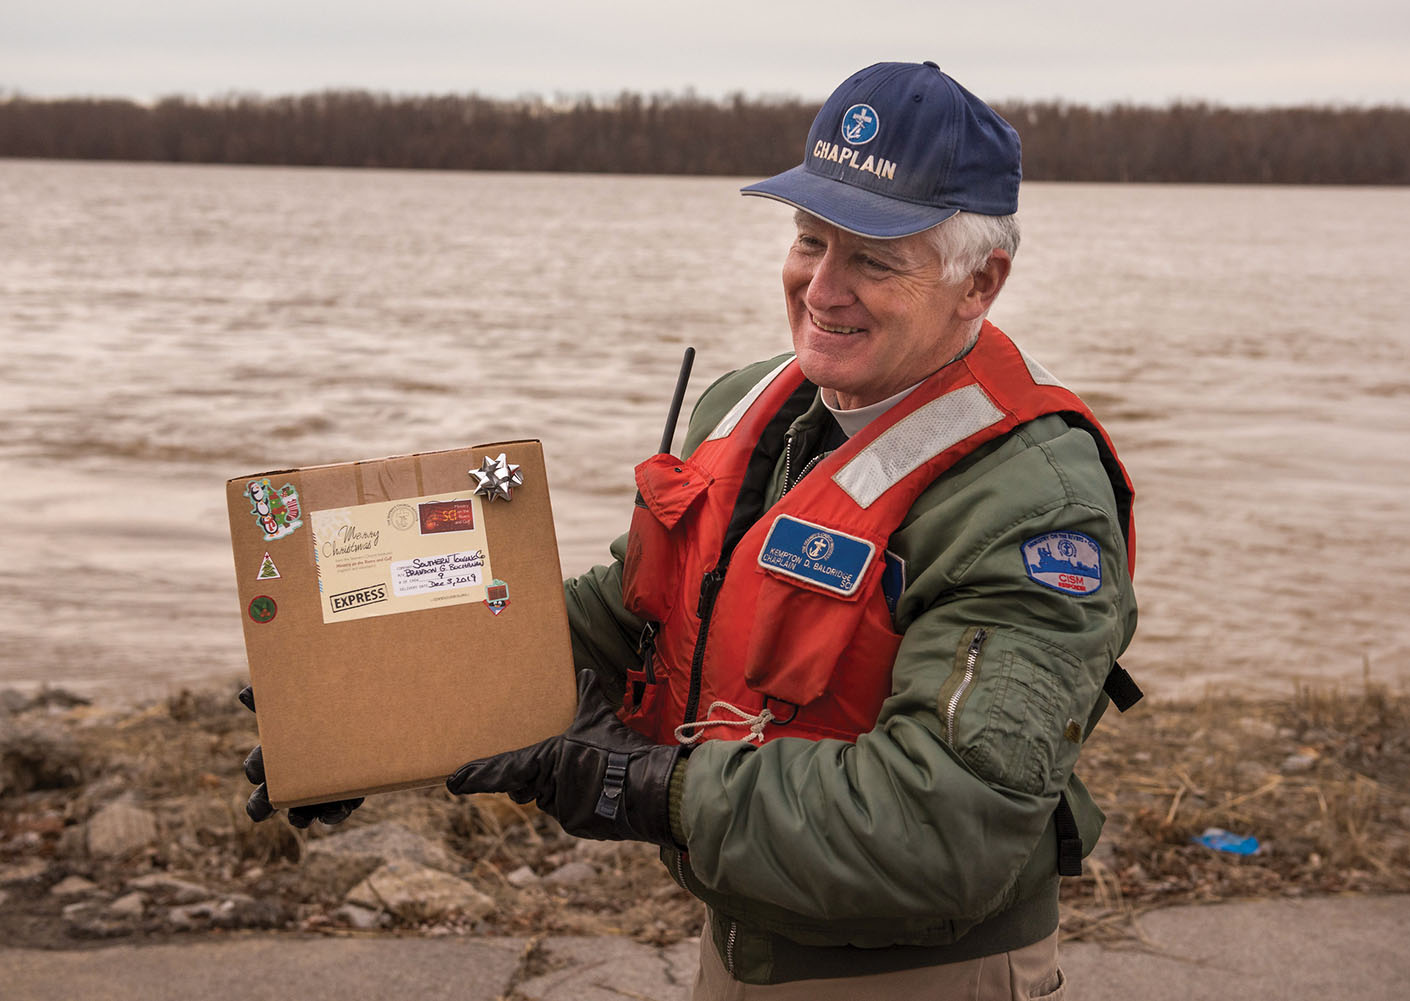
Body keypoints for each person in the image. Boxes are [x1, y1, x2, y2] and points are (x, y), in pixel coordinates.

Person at [244, 60, 1138, 999]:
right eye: (808, 240)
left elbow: (943, 826)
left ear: (979, 283)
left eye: (873, 258)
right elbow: (632, 610)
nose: (822, 288)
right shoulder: (751, 402)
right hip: (739, 943)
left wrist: (637, 784)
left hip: (925, 971)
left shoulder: (1037, 502)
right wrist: (373, 710)